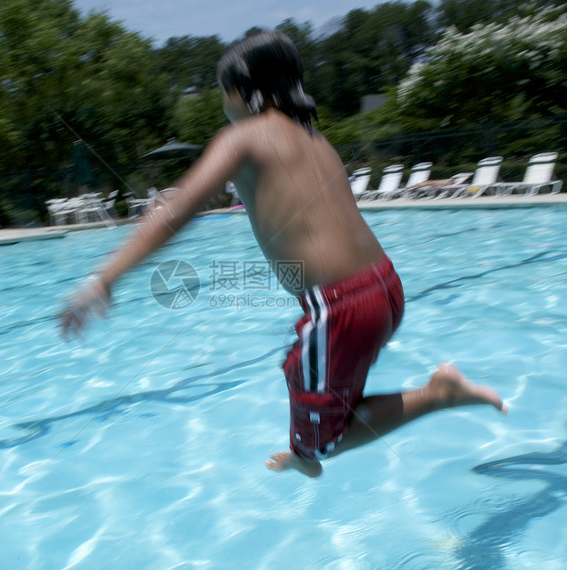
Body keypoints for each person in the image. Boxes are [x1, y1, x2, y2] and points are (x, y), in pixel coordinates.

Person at [60, 31, 506, 478]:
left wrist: (105, 278)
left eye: (222, 88)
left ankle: (433, 396)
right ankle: (315, 441)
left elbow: (178, 210)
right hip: (384, 286)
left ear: (246, 90)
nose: (221, 100)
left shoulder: (245, 137)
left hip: (339, 305)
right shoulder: (314, 140)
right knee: (315, 391)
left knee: (323, 443)